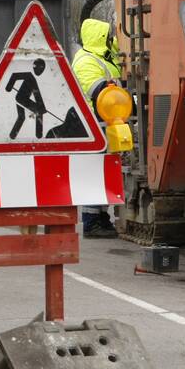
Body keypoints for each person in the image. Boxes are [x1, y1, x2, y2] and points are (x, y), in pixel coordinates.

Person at [74, 18, 122, 235]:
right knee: (96, 170)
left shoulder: (103, 55)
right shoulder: (86, 62)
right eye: (108, 35)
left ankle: (101, 217)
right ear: (99, 38)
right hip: (93, 124)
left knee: (105, 170)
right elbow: (99, 91)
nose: (111, 38)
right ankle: (91, 221)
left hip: (106, 122)